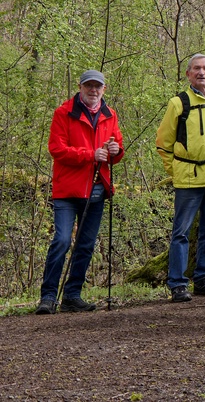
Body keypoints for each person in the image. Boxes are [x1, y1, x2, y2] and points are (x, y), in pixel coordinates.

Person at [36, 70, 124, 314]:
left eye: (98, 86)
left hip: (97, 189)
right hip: (67, 189)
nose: (93, 90)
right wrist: (90, 155)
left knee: (85, 245)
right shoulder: (63, 112)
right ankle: (48, 296)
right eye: (89, 86)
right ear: (80, 87)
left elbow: (114, 151)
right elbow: (57, 149)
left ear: (104, 89)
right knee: (62, 240)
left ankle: (72, 296)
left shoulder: (110, 115)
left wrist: (116, 151)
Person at [156, 53, 205, 302]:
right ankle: (177, 283)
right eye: (196, 68)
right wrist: (175, 170)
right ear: (188, 74)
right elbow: (164, 143)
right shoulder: (178, 103)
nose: (202, 72)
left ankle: (203, 278)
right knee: (181, 232)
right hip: (188, 178)